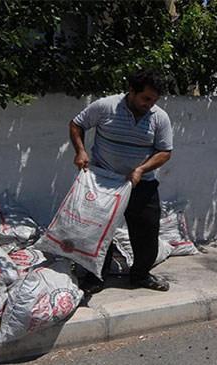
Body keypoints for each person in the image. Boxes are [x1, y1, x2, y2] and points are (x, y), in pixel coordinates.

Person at [68, 69, 173, 293]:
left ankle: (141, 275)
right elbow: (77, 125)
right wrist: (80, 152)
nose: (149, 104)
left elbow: (165, 152)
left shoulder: (159, 117)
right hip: (104, 182)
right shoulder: (106, 107)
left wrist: (141, 169)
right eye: (146, 98)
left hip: (141, 184)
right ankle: (96, 277)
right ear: (132, 91)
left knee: (146, 233)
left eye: (154, 100)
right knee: (98, 231)